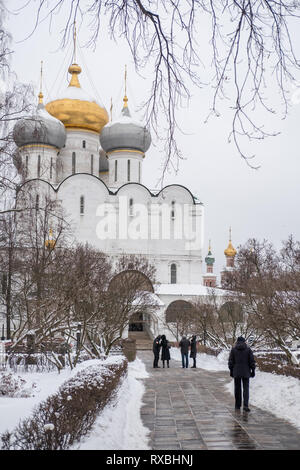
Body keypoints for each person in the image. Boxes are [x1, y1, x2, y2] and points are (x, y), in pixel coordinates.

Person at [228, 336, 256, 412]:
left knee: (237, 389)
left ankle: (237, 405)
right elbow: (252, 361)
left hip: (236, 372)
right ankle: (246, 405)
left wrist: (231, 371)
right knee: (246, 389)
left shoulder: (233, 350)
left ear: (237, 342)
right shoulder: (248, 350)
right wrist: (253, 370)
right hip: (246, 372)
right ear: (244, 342)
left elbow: (230, 362)